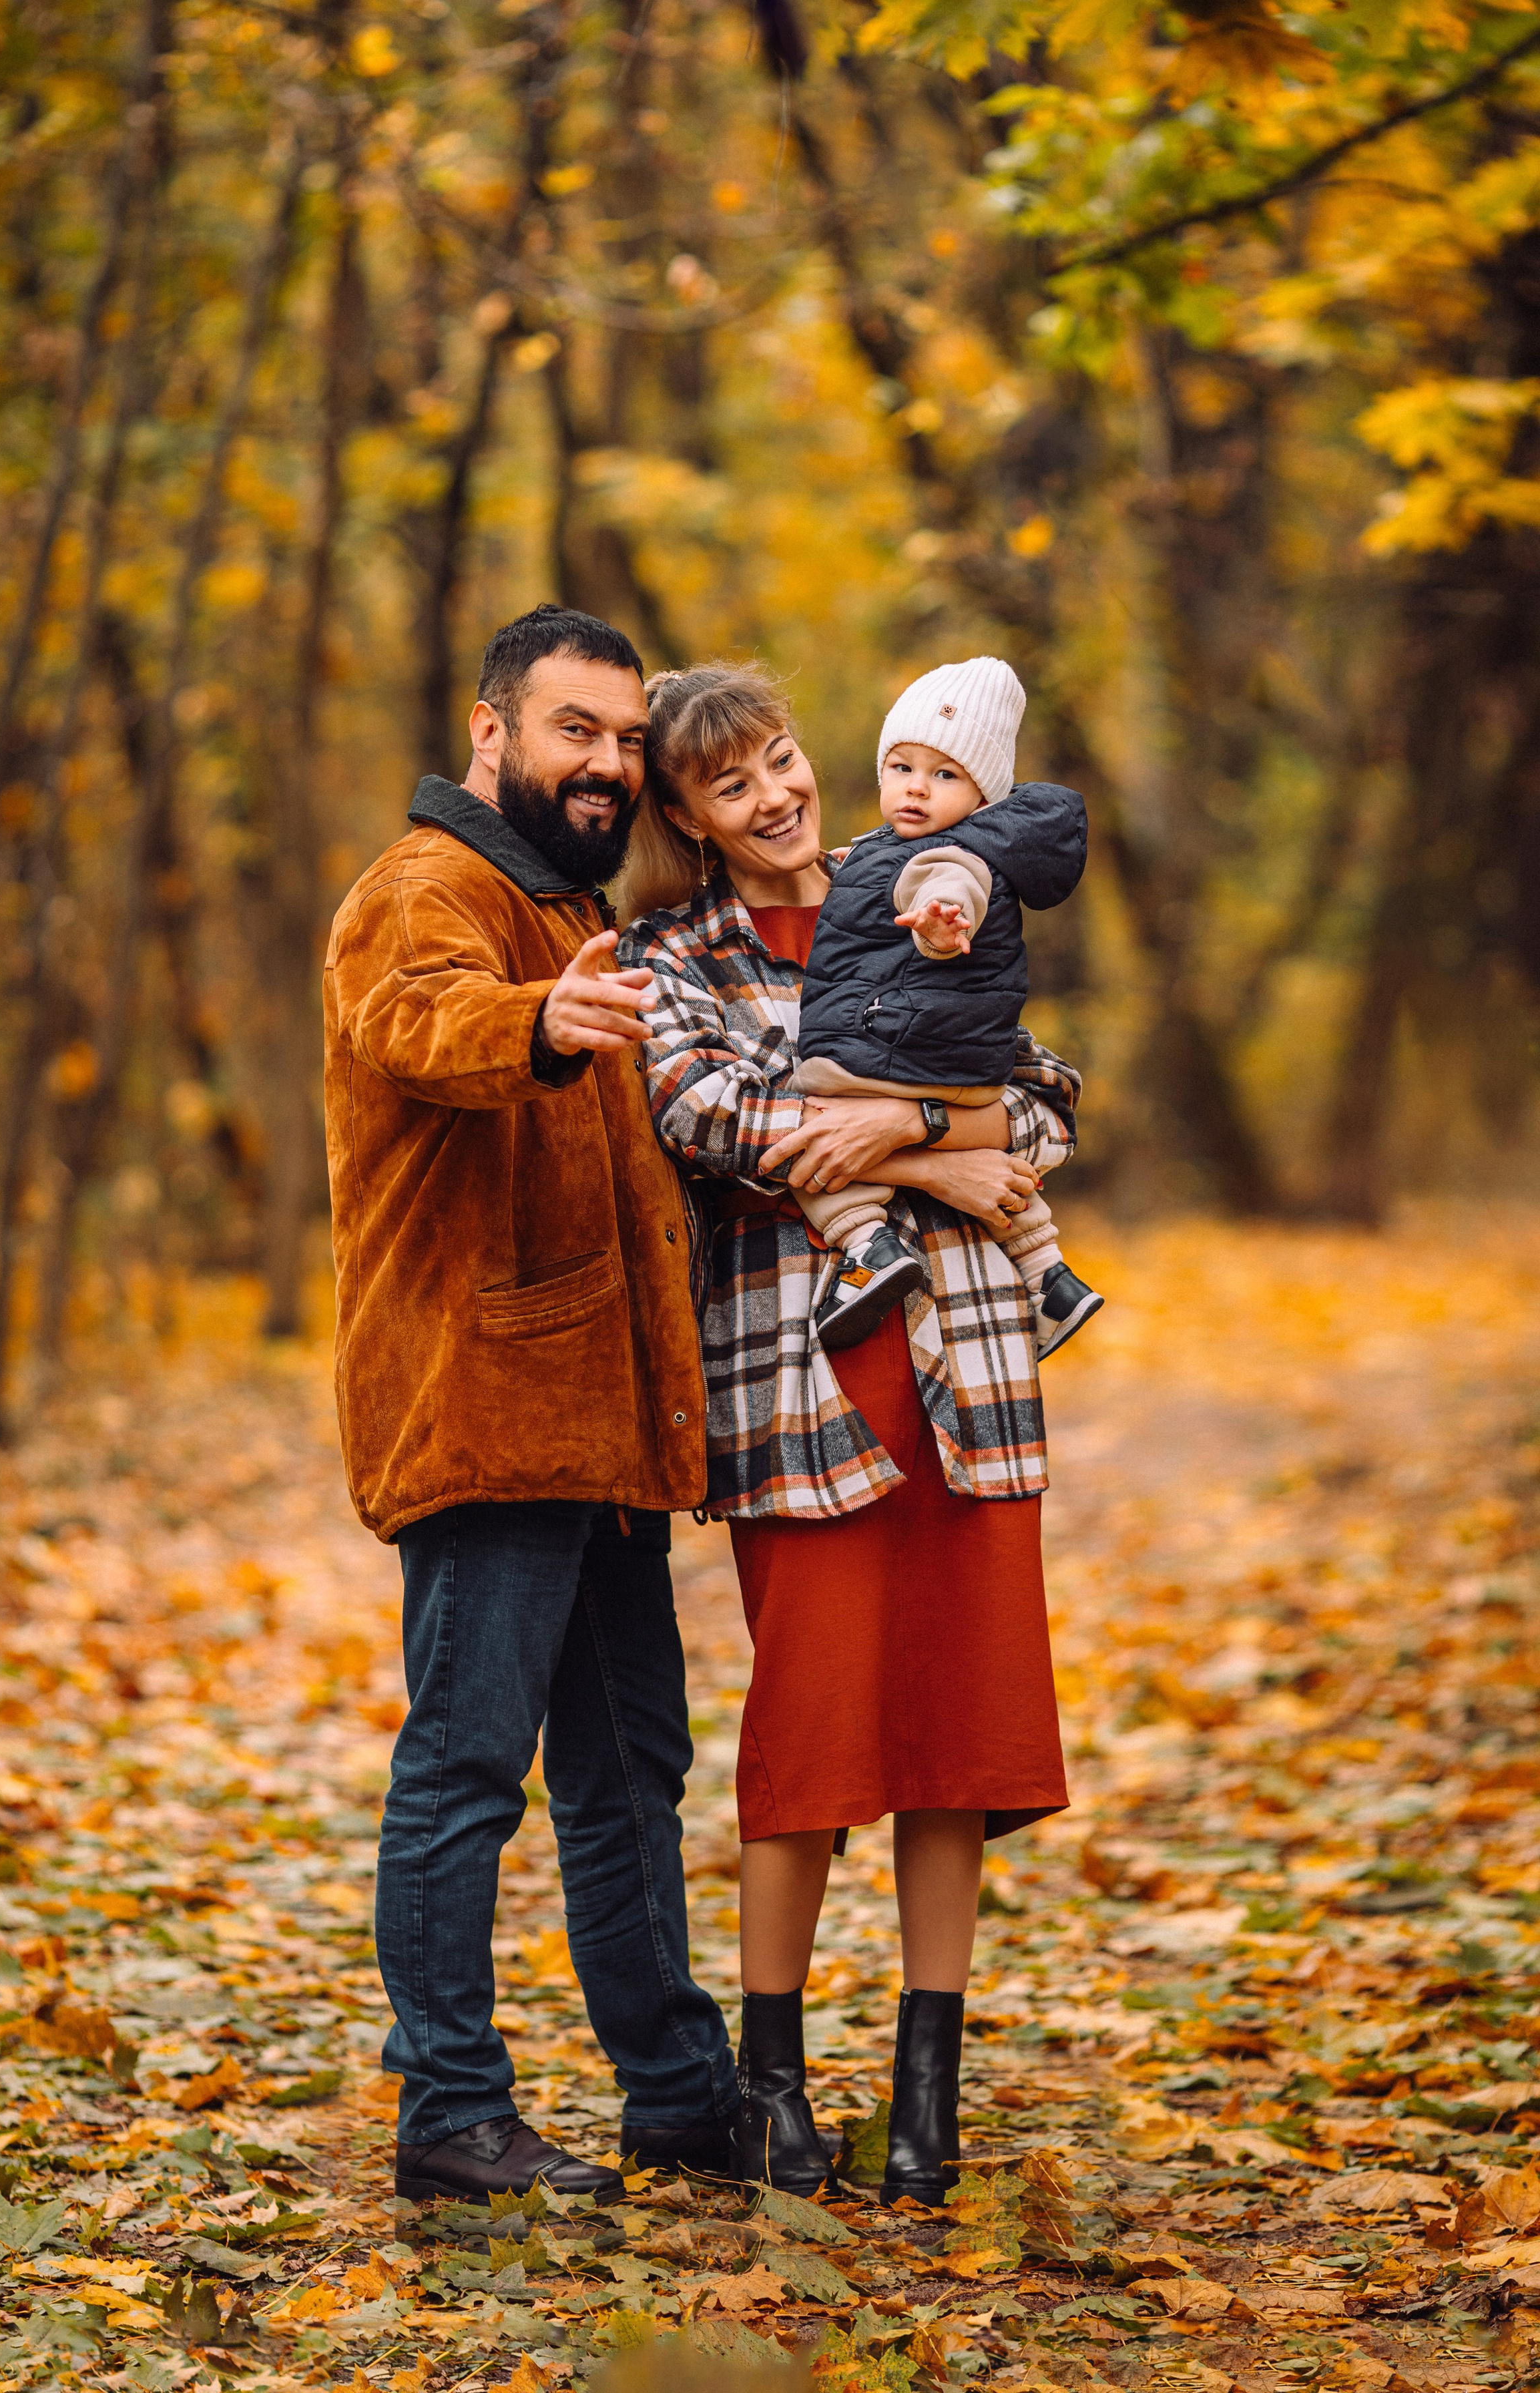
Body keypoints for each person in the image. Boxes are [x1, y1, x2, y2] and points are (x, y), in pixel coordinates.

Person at [617, 661, 1075, 2209]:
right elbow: (719, 1124)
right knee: (809, 1736)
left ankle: (925, 2083)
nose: (776, 796)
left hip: (966, 1362)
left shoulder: (924, 876)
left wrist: (915, 1137)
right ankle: (769, 2082)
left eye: (783, 759)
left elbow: (1044, 1099)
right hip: (798, 1381)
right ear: (681, 815)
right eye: (730, 783)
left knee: (962, 1730)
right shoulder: (668, 953)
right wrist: (942, 1153)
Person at [324, 604, 738, 2207]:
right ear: (488, 731)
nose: (608, 764)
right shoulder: (423, 893)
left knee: (631, 1771)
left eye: (627, 740)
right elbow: (417, 1022)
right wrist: (541, 1024)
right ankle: (448, 2112)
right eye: (576, 731)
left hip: (603, 1428)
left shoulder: (567, 900)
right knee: (466, 1768)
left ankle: (679, 2094)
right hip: (485, 1410)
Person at [793, 655, 1103, 1357]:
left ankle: (867, 1245)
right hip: (967, 1076)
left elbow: (945, 890)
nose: (915, 789)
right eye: (901, 767)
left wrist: (943, 924)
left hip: (894, 1057)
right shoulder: (893, 850)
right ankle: (1048, 1275)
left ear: (982, 795)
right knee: (1004, 1188)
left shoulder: (955, 860)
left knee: (815, 1130)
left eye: (944, 776)